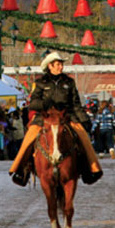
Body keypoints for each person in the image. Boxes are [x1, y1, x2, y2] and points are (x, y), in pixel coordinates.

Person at [9, 52, 103, 186]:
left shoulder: (69, 82)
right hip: (45, 117)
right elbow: (33, 103)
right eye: (58, 64)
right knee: (29, 138)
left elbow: (75, 104)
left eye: (61, 64)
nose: (61, 67)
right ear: (50, 66)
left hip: (66, 116)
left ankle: (90, 169)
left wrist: (84, 120)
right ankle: (22, 170)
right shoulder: (40, 83)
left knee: (83, 137)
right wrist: (44, 104)